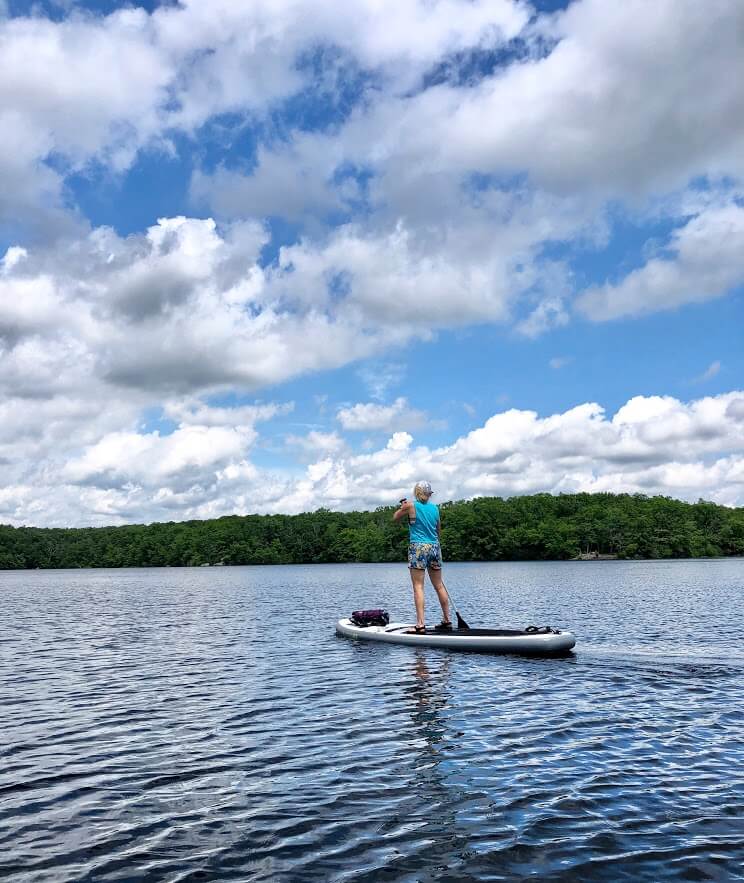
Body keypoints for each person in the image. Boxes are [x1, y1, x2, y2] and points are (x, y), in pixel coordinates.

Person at [393, 481, 452, 634]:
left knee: (418, 587)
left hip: (418, 547)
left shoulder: (410, 506)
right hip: (434, 547)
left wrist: (403, 507)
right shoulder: (435, 509)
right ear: (429, 494)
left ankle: (420, 624)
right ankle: (447, 620)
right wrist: (434, 545)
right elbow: (438, 531)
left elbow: (395, 517)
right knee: (439, 585)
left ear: (416, 492)